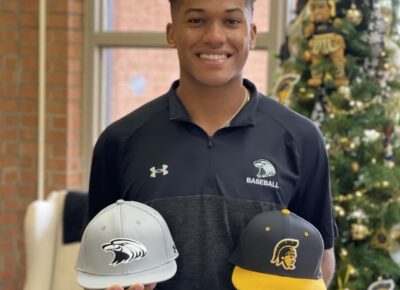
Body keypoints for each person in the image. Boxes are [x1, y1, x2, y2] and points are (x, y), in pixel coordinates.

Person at [86, 0, 337, 289]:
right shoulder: (120, 141)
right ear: (172, 33)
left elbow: (319, 259)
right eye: (196, 21)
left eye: (231, 22)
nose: (215, 37)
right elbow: (98, 263)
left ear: (252, 34)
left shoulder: (300, 138)